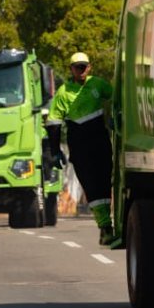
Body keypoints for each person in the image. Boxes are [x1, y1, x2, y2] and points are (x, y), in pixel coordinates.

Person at [46, 52, 115, 245]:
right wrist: (55, 150)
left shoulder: (98, 84)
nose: (81, 70)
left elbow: (117, 99)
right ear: (71, 69)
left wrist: (115, 116)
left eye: (84, 66)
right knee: (91, 186)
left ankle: (106, 225)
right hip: (79, 147)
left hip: (100, 142)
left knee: (103, 184)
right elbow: (54, 122)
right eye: (77, 67)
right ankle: (104, 226)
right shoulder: (64, 92)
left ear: (89, 67)